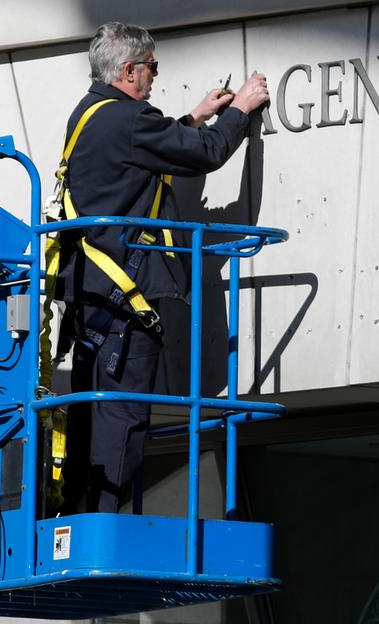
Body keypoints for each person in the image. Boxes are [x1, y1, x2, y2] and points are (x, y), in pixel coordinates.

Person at [52, 22, 270, 515]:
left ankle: (82, 519)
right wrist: (240, 109)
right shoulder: (128, 120)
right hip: (125, 305)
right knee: (123, 420)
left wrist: (192, 117)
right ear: (128, 70)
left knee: (94, 419)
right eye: (151, 67)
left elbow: (141, 154)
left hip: (93, 301)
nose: (154, 76)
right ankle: (105, 530)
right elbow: (207, 155)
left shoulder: (88, 115)